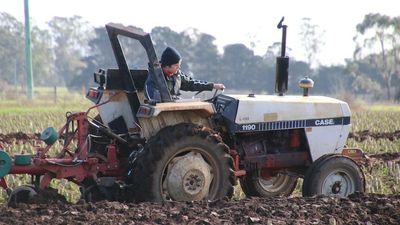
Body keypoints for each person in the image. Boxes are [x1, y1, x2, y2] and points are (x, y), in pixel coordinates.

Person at [145, 46, 225, 101]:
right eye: (176, 65)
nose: (179, 68)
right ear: (167, 65)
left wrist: (213, 86)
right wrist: (172, 99)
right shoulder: (154, 77)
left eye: (179, 65)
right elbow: (152, 96)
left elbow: (191, 84)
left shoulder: (178, 76)